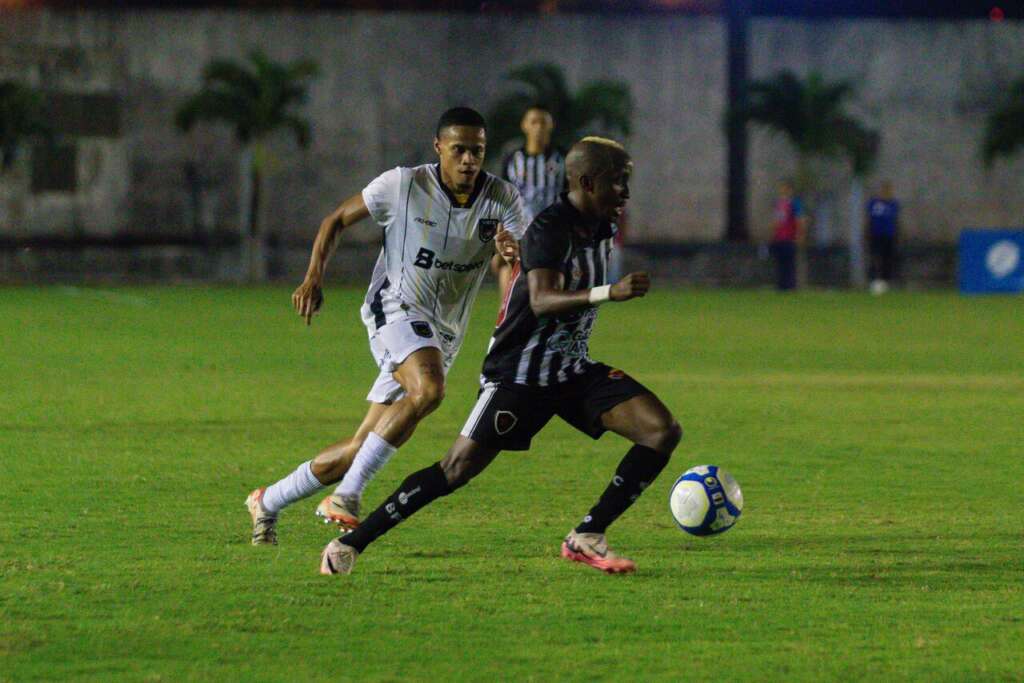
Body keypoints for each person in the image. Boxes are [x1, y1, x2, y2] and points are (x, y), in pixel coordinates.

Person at [320, 137, 682, 576]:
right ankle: (350, 544)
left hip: (569, 370)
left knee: (661, 430)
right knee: (454, 470)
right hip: (520, 376)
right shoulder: (551, 228)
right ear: (588, 182)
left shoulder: (603, 225)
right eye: (619, 181)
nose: (625, 191)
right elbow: (542, 299)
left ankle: (588, 535)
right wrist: (610, 292)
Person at [245, 107, 524, 545]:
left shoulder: (503, 198)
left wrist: (509, 257)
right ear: (438, 148)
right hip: (394, 307)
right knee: (428, 391)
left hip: (444, 332)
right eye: (459, 150)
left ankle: (268, 500)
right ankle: (347, 496)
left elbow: (510, 263)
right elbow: (336, 220)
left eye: (478, 151)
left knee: (361, 447)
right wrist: (313, 276)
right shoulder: (403, 185)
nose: (469, 160)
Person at [502, 105, 566, 226]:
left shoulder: (562, 158)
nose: (539, 127)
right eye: (534, 122)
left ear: (551, 125)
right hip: (522, 230)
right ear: (524, 125)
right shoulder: (512, 160)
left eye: (543, 122)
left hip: (555, 228)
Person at [769, 180, 806, 291]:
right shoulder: (779, 204)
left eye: (785, 188)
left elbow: (800, 220)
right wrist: (773, 234)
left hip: (790, 238)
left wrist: (800, 235)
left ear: (790, 190)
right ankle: (781, 286)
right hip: (779, 238)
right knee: (780, 263)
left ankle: (790, 286)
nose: (783, 191)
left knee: (789, 264)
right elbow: (776, 221)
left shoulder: (794, 203)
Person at [866, 180, 900, 295]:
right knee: (875, 258)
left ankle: (885, 282)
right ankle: (874, 280)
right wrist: (866, 232)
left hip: (889, 235)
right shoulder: (874, 203)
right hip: (876, 235)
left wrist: (898, 234)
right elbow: (869, 219)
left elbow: (896, 220)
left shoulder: (893, 204)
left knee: (888, 259)